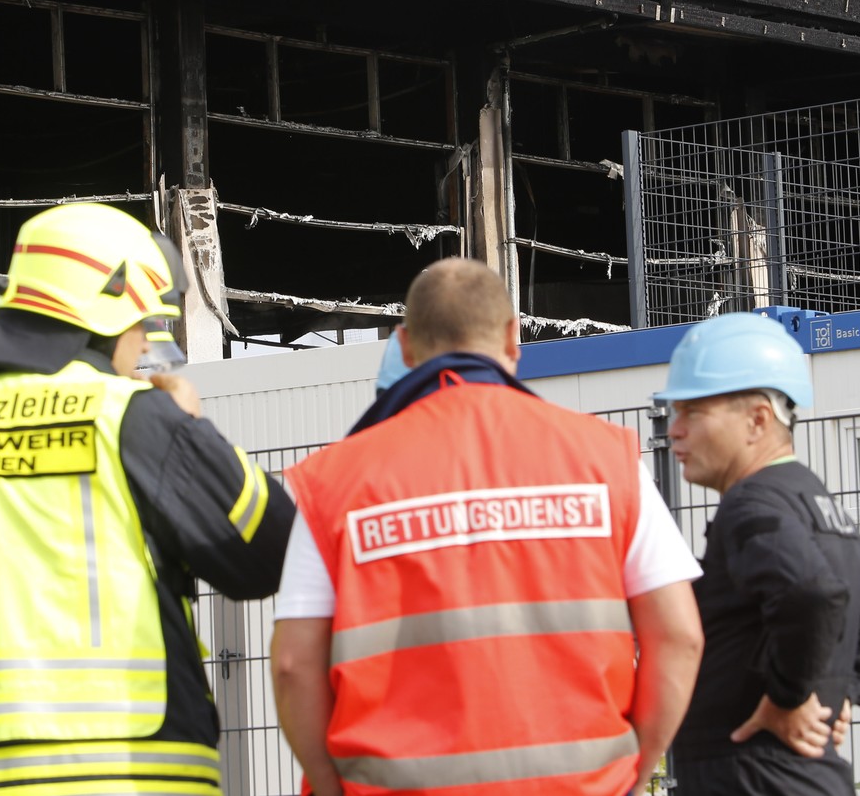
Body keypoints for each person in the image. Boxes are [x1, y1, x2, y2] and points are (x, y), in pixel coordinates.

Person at [0, 202, 294, 796]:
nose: (142, 349)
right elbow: (268, 550)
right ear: (108, 309)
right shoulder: (130, 419)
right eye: (142, 328)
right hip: (138, 777)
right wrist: (188, 429)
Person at [271, 257, 705, 796]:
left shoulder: (334, 481)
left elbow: (292, 665)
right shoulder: (606, 460)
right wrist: (633, 773)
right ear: (512, 338)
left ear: (404, 347)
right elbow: (680, 636)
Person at [656, 312, 860, 795]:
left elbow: (810, 594)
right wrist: (843, 689)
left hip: (752, 778)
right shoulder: (810, 501)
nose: (674, 430)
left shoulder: (753, 505)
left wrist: (787, 698)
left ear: (758, 419)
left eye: (692, 411)